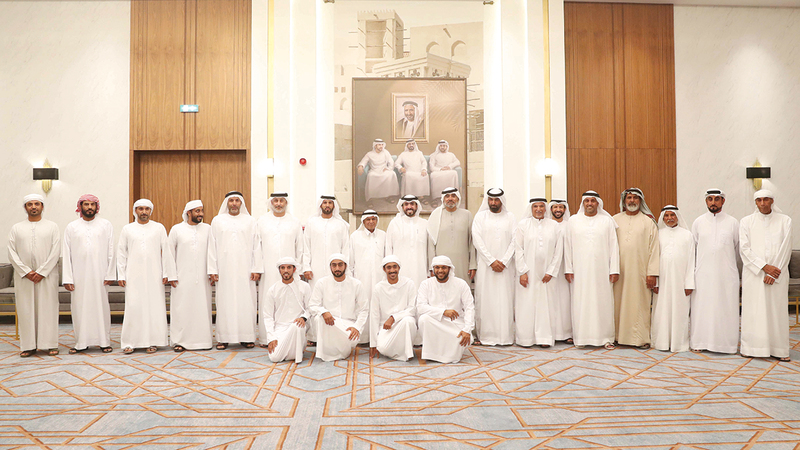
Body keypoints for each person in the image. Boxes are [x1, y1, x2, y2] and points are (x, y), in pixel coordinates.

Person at [739, 190, 793, 361]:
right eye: (759, 200)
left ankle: (779, 350)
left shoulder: (785, 220)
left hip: (778, 274)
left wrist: (774, 272)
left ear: (772, 201)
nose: (762, 203)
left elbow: (786, 248)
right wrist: (764, 267)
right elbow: (744, 249)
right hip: (754, 274)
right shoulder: (746, 221)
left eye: (766, 199)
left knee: (776, 311)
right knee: (754, 311)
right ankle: (751, 348)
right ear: (755, 202)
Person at [117, 199, 177, 354]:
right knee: (133, 307)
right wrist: (121, 274)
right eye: (140, 209)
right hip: (133, 275)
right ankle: (130, 342)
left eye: (147, 209)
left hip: (154, 274)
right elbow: (121, 252)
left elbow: (166, 251)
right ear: (135, 211)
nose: (144, 212)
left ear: (151, 211)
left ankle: (153, 341)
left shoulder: (159, 228)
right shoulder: (127, 229)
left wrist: (166, 273)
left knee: (154, 307)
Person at [564, 191, 620, 349]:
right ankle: (581, 338)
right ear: (583, 203)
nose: (589, 203)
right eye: (587, 201)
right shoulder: (573, 220)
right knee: (581, 302)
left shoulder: (606, 221)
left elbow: (614, 247)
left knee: (603, 302)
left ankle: (605, 338)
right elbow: (567, 246)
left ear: (598, 203)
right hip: (579, 271)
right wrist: (568, 268)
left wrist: (614, 269)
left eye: (593, 201)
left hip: (602, 271)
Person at [208, 191, 263, 350]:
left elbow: (257, 246)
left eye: (237, 200)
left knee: (246, 302)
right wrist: (212, 269)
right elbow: (212, 246)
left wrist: (256, 268)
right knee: (224, 302)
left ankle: (247, 337)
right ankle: (223, 338)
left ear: (241, 203)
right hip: (224, 270)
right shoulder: (217, 221)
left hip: (245, 271)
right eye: (231, 200)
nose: (234, 203)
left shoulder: (250, 221)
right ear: (227, 202)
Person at [7, 194, 60, 357]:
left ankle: (50, 344)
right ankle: (28, 346)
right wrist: (26, 271)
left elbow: (55, 251)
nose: (33, 207)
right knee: (26, 309)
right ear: (25, 207)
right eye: (30, 204)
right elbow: (11, 252)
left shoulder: (52, 227)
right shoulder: (17, 228)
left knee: (48, 308)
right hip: (25, 277)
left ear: (42, 206)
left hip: (47, 276)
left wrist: (42, 272)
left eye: (37, 204)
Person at [62, 194, 116, 354]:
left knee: (101, 307)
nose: (90, 207)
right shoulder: (72, 227)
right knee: (80, 308)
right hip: (78, 276)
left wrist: (110, 274)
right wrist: (67, 278)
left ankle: (104, 342)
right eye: (86, 204)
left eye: (92, 204)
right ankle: (81, 342)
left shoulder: (106, 225)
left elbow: (111, 251)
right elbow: (66, 253)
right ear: (80, 206)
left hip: (100, 275)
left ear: (97, 207)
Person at [690, 189, 740, 354]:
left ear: (723, 201)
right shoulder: (698, 222)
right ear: (706, 201)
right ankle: (700, 341)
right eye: (710, 199)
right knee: (702, 308)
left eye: (717, 199)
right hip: (703, 275)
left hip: (726, 275)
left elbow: (737, 249)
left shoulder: (733, 223)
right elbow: (694, 248)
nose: (713, 202)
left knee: (726, 308)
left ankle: (726, 345)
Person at [612, 188, 660, 348]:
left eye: (635, 198)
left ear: (641, 201)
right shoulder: (614, 220)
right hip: (618, 272)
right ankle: (617, 336)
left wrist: (652, 273)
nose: (632, 201)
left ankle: (639, 339)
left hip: (640, 272)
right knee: (618, 303)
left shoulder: (648, 222)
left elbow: (654, 249)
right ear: (624, 201)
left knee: (639, 304)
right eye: (629, 198)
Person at [514, 198, 563, 348]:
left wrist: (551, 271)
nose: (538, 209)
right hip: (528, 272)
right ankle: (526, 339)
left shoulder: (554, 226)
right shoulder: (523, 225)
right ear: (531, 208)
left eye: (541, 206)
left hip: (547, 275)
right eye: (535, 206)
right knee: (526, 304)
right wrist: (522, 271)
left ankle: (544, 338)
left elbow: (558, 251)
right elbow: (518, 249)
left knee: (546, 305)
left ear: (545, 208)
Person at [257, 192, 304, 345]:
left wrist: (299, 269)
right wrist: (257, 268)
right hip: (268, 271)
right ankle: (266, 337)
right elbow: (257, 247)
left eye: (281, 201)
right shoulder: (262, 221)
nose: (278, 204)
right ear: (271, 203)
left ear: (286, 203)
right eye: (275, 201)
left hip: (290, 272)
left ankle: (288, 338)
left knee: (289, 303)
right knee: (268, 302)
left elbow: (300, 248)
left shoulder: (294, 222)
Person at [471, 188, 516, 346]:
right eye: (491, 199)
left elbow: (515, 240)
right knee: (486, 299)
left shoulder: (510, 217)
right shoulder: (480, 217)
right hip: (486, 267)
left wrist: (504, 261)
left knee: (505, 300)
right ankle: (486, 336)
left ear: (501, 201)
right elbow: (477, 240)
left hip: (506, 268)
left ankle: (505, 337)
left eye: (496, 200)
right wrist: (491, 261)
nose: (493, 203)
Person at [167, 200, 213, 352]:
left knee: (202, 308)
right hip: (181, 278)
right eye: (197, 211)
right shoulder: (177, 229)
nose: (200, 214)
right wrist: (171, 275)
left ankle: (203, 341)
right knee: (181, 309)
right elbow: (169, 253)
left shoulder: (208, 229)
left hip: (203, 279)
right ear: (188, 213)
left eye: (201, 210)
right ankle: (179, 341)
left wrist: (212, 271)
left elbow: (213, 252)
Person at [651, 206, 695, 353]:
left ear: (677, 217)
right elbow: (654, 259)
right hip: (662, 281)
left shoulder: (687, 235)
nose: (669, 218)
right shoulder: (658, 234)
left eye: (672, 215)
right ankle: (661, 342)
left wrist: (689, 283)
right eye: (666, 216)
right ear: (663, 218)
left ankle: (679, 343)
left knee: (679, 311)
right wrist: (656, 282)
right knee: (661, 311)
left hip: (680, 281)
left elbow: (691, 260)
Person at [308, 254, 368, 362]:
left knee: (349, 339)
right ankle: (328, 352)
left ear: (345, 266)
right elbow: (312, 305)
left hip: (348, 325)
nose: (337, 268)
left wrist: (357, 327)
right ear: (330, 267)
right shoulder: (322, 283)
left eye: (340, 265)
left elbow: (364, 309)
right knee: (319, 317)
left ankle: (340, 349)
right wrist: (324, 312)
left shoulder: (356, 284)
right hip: (330, 323)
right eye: (334, 265)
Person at [417, 256, 475, 363]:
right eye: (437, 267)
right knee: (424, 319)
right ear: (433, 269)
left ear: (449, 268)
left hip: (456, 324)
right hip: (436, 322)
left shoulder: (461, 284)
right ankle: (432, 354)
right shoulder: (426, 284)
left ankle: (448, 354)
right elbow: (421, 307)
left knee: (464, 338)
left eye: (443, 267)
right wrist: (443, 312)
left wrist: (467, 329)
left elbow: (469, 307)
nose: (440, 270)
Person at [262, 257, 311, 363]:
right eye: (283, 268)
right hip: (280, 328)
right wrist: (271, 338)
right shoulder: (273, 290)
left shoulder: (304, 286)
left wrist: (303, 318)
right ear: (279, 270)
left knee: (297, 326)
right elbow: (268, 316)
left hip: (298, 326)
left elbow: (310, 308)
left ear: (294, 269)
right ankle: (296, 348)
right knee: (274, 357)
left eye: (289, 267)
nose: (286, 270)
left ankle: (296, 347)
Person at [369, 256, 417, 361]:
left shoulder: (409, 284)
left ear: (399, 268)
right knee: (382, 348)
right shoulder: (379, 288)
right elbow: (374, 315)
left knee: (408, 321)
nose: (392, 270)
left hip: (404, 324)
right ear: (384, 269)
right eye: (389, 267)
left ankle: (407, 353)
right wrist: (373, 343)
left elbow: (412, 309)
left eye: (395, 267)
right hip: (386, 327)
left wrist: (393, 318)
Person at [348, 209, 386, 344]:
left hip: (380, 278)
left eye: (373, 219)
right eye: (368, 219)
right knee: (362, 306)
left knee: (378, 306)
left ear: (377, 220)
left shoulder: (383, 235)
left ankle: (377, 336)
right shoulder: (355, 236)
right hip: (361, 278)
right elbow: (351, 261)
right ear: (363, 221)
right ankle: (363, 337)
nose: (371, 222)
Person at [427, 187, 476, 282]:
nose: (450, 198)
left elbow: (472, 242)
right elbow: (431, 244)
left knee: (462, 287)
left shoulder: (467, 215)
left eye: (453, 196)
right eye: (447, 196)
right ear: (443, 199)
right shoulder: (435, 216)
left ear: (458, 198)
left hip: (462, 263)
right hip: (441, 265)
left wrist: (473, 265)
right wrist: (432, 266)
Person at [302, 195, 350, 290]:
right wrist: (306, 267)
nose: (327, 205)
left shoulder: (341, 225)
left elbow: (345, 248)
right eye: (325, 202)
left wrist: (345, 268)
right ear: (320, 205)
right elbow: (306, 247)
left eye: (330, 203)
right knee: (315, 292)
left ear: (334, 205)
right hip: (315, 269)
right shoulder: (312, 223)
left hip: (336, 268)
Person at [386, 195, 431, 289]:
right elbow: (388, 247)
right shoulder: (394, 224)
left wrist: (429, 270)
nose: (409, 207)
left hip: (420, 270)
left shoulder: (425, 224)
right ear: (402, 206)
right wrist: (389, 269)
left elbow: (429, 250)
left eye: (412, 204)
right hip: (400, 270)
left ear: (417, 206)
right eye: (406, 204)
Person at [548, 199, 572, 342]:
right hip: (549, 269)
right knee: (550, 300)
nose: (558, 210)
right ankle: (551, 332)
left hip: (565, 268)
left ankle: (566, 333)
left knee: (565, 300)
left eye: (561, 207)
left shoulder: (569, 226)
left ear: (565, 209)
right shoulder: (546, 226)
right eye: (555, 207)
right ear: (551, 209)